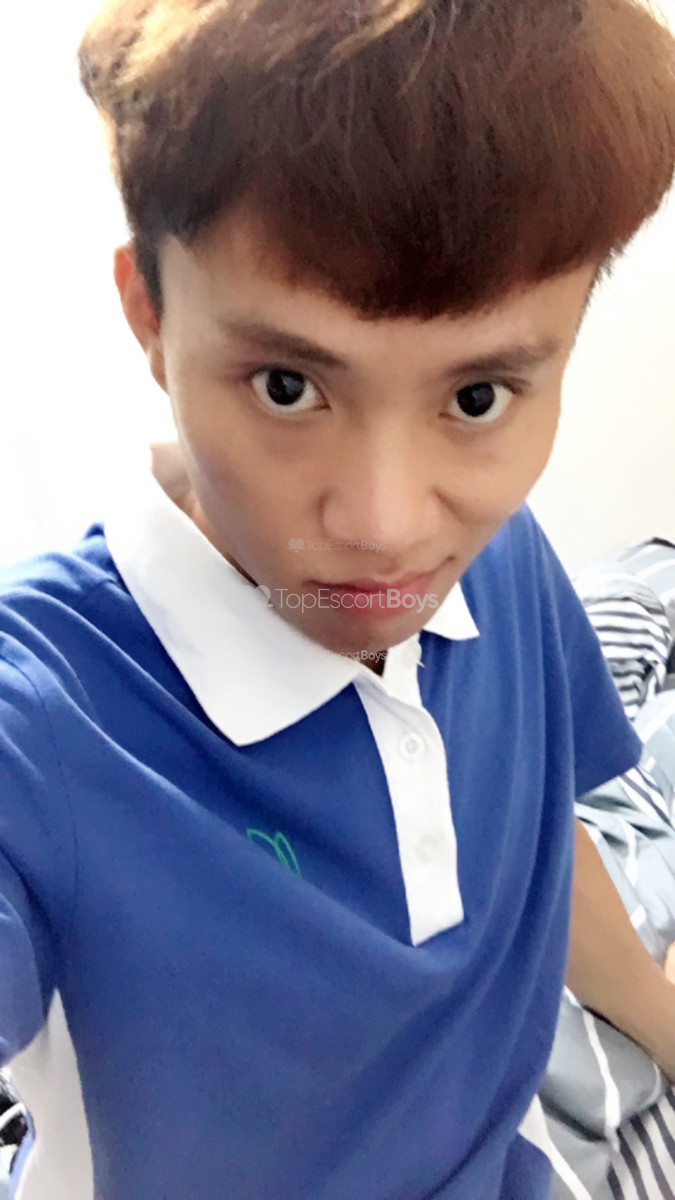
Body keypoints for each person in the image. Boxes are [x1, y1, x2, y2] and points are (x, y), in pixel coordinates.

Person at [1, 1, 675, 1197]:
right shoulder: (39, 725)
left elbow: (531, 848)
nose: (388, 526)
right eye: (286, 384)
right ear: (149, 315)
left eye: (477, 399)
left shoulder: (505, 567)